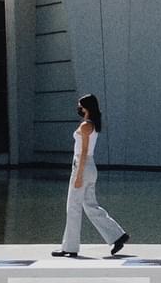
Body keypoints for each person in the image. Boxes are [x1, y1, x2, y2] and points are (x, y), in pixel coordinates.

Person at [52, 94, 129, 258]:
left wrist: (79, 175)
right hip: (90, 167)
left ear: (86, 107)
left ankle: (70, 247)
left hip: (82, 165)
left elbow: (84, 151)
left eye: (80, 105)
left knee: (73, 207)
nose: (78, 108)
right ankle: (117, 235)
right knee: (90, 205)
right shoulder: (93, 124)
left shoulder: (86, 125)